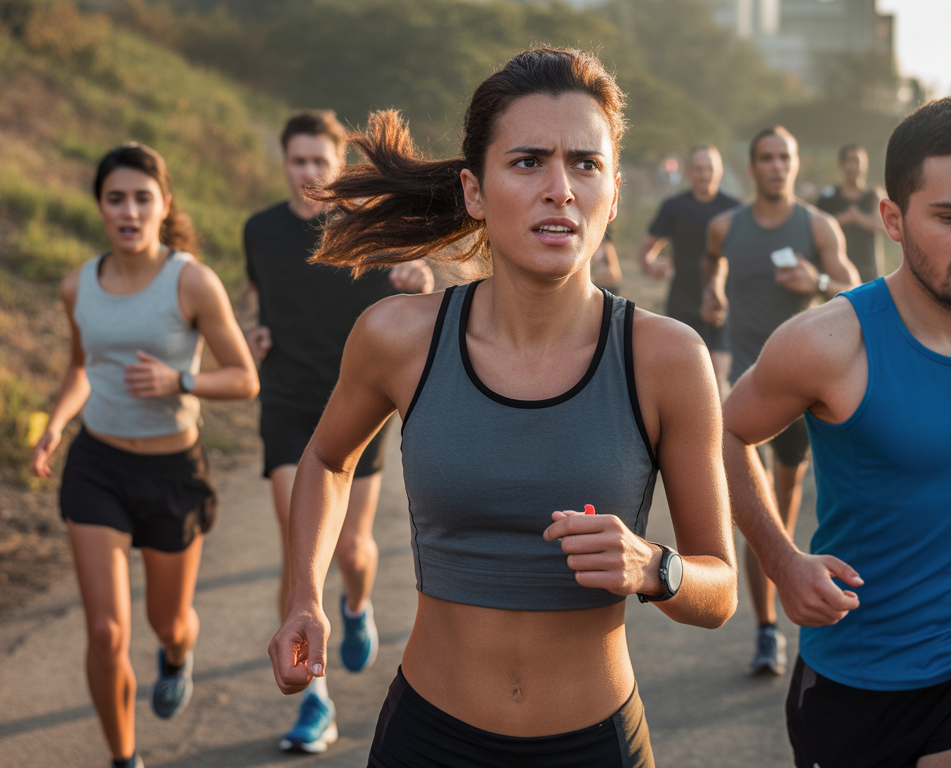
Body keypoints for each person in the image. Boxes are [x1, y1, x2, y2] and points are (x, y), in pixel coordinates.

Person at [268, 48, 737, 766]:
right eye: (527, 162)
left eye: (585, 163)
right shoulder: (399, 337)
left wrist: (654, 566)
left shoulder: (667, 358)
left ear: (613, 192)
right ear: (475, 190)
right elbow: (329, 458)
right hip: (429, 739)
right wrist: (303, 595)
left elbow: (721, 588)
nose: (560, 189)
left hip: (597, 745)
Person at [724, 97, 951, 767]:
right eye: (950, 217)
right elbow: (726, 434)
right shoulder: (827, 345)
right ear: (893, 218)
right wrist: (781, 560)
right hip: (853, 680)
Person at [30, 143, 259, 768]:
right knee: (106, 634)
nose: (128, 211)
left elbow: (244, 379)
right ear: (101, 208)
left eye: (141, 198)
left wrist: (179, 381)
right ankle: (123, 758)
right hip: (97, 465)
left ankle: (178, 656)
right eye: (115, 199)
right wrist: (54, 424)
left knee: (169, 622)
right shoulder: (78, 284)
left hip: (172, 473)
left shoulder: (191, 281)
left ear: (163, 206)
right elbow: (82, 367)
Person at [242, 110, 434, 753]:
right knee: (301, 554)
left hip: (358, 403)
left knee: (351, 550)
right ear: (285, 164)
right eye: (297, 162)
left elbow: (417, 290)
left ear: (337, 167)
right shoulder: (260, 231)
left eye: (319, 162)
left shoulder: (372, 230)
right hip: (289, 401)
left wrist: (420, 280)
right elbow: (257, 301)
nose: (307, 174)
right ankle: (314, 702)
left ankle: (356, 604)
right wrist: (252, 332)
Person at [701, 126, 859, 675]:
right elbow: (712, 263)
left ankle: (783, 605)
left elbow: (853, 289)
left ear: (795, 164)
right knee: (758, 512)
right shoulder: (725, 227)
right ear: (752, 167)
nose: (776, 166)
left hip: (799, 393)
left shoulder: (818, 225)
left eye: (784, 158)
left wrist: (816, 278)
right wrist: (713, 288)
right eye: (766, 158)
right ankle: (767, 632)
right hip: (747, 387)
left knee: (784, 515)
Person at [638, 145, 740, 394]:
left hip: (720, 299)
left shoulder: (734, 208)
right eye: (698, 169)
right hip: (682, 298)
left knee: (716, 375)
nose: (704, 174)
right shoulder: (674, 206)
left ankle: (715, 429)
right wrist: (652, 266)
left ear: (720, 172)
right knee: (680, 373)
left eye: (709, 169)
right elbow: (647, 247)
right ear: (688, 172)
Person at [817, 144, 886, 281]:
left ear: (865, 165)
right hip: (837, 271)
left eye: (857, 161)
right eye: (850, 161)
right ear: (841, 165)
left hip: (870, 272)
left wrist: (858, 217)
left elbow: (882, 224)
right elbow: (817, 228)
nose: (853, 166)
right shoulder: (828, 197)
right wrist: (844, 218)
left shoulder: (874, 195)